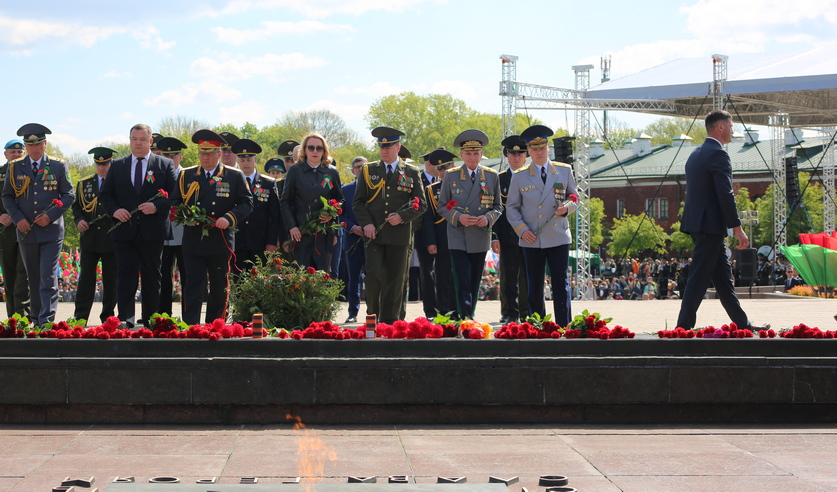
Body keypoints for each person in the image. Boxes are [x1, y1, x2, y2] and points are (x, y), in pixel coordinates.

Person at [675, 109, 769, 331]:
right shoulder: (718, 154)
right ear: (720, 127)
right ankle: (683, 327)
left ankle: (743, 324)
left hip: (698, 224)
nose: (732, 131)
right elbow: (725, 193)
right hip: (710, 225)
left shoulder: (695, 154)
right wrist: (737, 228)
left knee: (723, 278)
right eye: (731, 126)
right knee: (698, 276)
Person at [99, 123, 176, 327]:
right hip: (125, 231)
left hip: (153, 231)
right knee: (126, 275)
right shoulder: (117, 165)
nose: (138, 143)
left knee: (152, 276)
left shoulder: (164, 164)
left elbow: (175, 194)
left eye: (142, 140)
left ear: (150, 141)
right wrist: (115, 211)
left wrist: (157, 206)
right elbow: (105, 195)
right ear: (130, 141)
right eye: (134, 139)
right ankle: (126, 318)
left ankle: (150, 318)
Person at [174, 129, 252, 325]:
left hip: (220, 238)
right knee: (193, 283)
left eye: (209, 153)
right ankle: (190, 325)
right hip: (194, 238)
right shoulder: (186, 175)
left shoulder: (234, 175)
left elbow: (246, 203)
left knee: (219, 285)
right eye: (202, 153)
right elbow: (175, 201)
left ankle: (215, 324)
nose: (205, 157)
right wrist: (185, 215)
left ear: (219, 154)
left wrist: (229, 217)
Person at [1, 123, 74, 327]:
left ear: (45, 144)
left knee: (47, 276)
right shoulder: (15, 167)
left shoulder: (58, 165)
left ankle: (46, 320)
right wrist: (18, 218)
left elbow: (69, 195)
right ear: (26, 146)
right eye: (30, 145)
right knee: (32, 277)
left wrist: (51, 215)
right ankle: (35, 319)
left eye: (38, 144)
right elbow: (7, 197)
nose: (34, 149)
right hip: (26, 231)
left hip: (51, 230)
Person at [352, 127, 427, 324]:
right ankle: (373, 318)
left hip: (399, 234)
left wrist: (402, 216)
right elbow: (358, 202)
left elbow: (421, 203)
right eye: (381, 147)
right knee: (374, 276)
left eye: (388, 147)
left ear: (398, 147)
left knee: (396, 279)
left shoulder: (411, 171)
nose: (384, 151)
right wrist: (367, 224)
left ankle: (391, 322)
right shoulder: (368, 170)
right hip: (374, 234)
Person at [505, 124, 577, 326]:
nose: (539, 152)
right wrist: (522, 230)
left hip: (558, 235)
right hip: (532, 237)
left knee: (561, 283)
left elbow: (574, 197)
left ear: (548, 148)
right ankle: (538, 326)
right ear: (528, 150)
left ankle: (564, 325)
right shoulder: (519, 175)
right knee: (534, 285)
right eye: (534, 148)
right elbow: (511, 208)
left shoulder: (564, 170)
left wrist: (567, 207)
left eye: (542, 148)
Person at [437, 129, 502, 320]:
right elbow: (442, 206)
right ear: (461, 155)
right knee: (462, 277)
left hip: (480, 234)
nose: (472, 157)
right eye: (468, 153)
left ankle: (469, 315)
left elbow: (498, 207)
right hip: (458, 234)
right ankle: (465, 316)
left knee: (474, 279)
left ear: (482, 154)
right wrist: (458, 217)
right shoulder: (451, 176)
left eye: (475, 153)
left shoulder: (491, 176)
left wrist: (488, 218)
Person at [280, 132, 343, 271]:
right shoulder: (295, 170)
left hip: (324, 234)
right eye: (311, 148)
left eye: (319, 148)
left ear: (324, 151)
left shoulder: (332, 172)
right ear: (305, 150)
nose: (315, 151)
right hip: (300, 233)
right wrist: (292, 227)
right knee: (300, 276)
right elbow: (285, 201)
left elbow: (340, 199)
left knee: (322, 275)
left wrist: (332, 216)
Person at [72, 147, 118, 323]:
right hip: (90, 238)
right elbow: (77, 206)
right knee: (86, 280)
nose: (101, 168)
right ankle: (80, 316)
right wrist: (79, 220)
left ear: (111, 163)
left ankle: (108, 316)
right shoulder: (84, 183)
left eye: (105, 164)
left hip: (111, 237)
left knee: (111, 280)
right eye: (98, 164)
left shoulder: (118, 182)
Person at [492, 135, 530, 323]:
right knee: (508, 276)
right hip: (507, 235)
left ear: (526, 156)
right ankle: (509, 312)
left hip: (530, 235)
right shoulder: (499, 180)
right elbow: (494, 209)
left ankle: (526, 312)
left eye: (520, 154)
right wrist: (494, 236)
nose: (516, 158)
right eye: (513, 154)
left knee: (527, 276)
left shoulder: (533, 177)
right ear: (506, 155)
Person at [231, 138, 280, 276]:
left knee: (260, 280)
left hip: (260, 242)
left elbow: (274, 215)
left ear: (255, 160)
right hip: (237, 241)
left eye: (249, 160)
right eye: (242, 160)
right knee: (238, 280)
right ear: (238, 161)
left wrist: (272, 241)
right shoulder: (231, 182)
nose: (246, 163)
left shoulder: (268, 183)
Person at [421, 148, 457, 318]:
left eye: (446, 167)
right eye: (440, 169)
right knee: (442, 278)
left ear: (453, 167)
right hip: (441, 239)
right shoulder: (431, 189)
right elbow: (428, 218)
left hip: (461, 238)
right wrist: (431, 241)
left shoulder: (463, 185)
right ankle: (443, 312)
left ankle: (458, 310)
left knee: (459, 277)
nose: (443, 172)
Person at [156, 136, 188, 316]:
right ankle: (163, 316)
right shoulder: (156, 177)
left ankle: (188, 317)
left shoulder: (188, 176)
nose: (169, 160)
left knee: (187, 277)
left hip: (184, 234)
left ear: (180, 157)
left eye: (173, 156)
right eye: (166, 156)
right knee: (162, 277)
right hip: (162, 234)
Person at [0, 139, 30, 318]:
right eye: (13, 152)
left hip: (27, 228)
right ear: (5, 154)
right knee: (9, 275)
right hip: (6, 230)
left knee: (24, 275)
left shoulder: (31, 172)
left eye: (20, 152)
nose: (16, 155)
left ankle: (23, 316)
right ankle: (12, 318)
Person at [340, 156, 367, 323]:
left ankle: (373, 312)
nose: (361, 169)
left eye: (364, 166)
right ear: (353, 171)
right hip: (352, 239)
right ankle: (352, 312)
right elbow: (339, 215)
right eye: (357, 167)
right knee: (354, 277)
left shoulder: (376, 188)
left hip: (372, 238)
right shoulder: (346, 190)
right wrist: (352, 227)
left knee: (373, 276)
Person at [413, 148, 439, 319]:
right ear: (430, 163)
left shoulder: (445, 179)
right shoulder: (418, 180)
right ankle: (430, 310)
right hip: (423, 235)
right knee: (427, 273)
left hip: (443, 235)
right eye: (439, 163)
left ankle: (443, 307)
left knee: (443, 274)